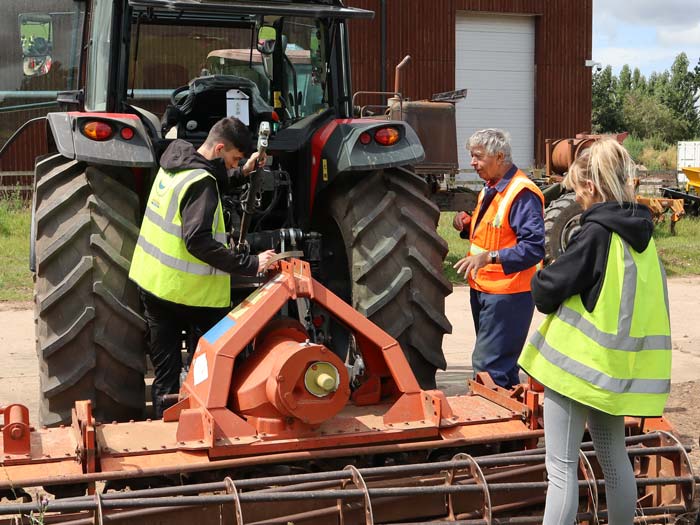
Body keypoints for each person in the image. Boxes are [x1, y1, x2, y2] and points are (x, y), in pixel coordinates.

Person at [518, 139, 671, 524]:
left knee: (561, 469)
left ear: (590, 187)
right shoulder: (645, 239)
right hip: (613, 376)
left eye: (577, 189)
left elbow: (548, 290)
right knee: (615, 459)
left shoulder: (595, 233)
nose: (578, 199)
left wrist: (540, 278)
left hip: (575, 373)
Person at [129, 117, 275, 418]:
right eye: (235, 159)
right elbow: (198, 242)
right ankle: (203, 432)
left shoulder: (175, 163)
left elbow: (207, 174)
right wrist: (251, 264)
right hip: (192, 297)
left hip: (155, 288)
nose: (235, 165)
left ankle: (166, 440)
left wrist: (242, 172)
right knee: (206, 375)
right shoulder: (202, 185)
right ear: (221, 147)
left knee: (165, 379)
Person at [453, 128, 545, 389]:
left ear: (500, 156)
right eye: (472, 156)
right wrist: (468, 225)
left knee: (489, 368)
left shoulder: (522, 193)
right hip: (485, 289)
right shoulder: (490, 188)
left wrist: (489, 258)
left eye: (478, 156)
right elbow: (496, 232)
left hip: (509, 293)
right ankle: (509, 417)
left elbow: (534, 248)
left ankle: (495, 421)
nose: (472, 163)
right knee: (498, 365)